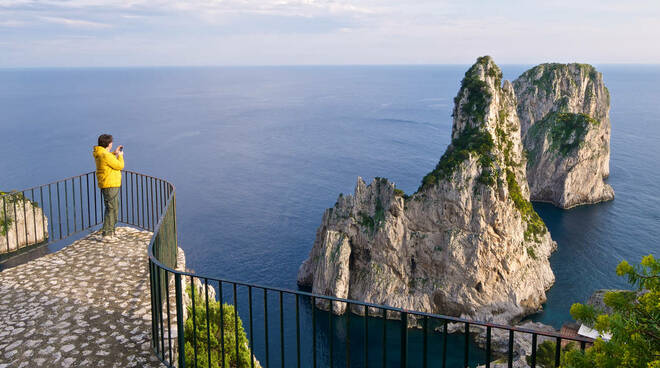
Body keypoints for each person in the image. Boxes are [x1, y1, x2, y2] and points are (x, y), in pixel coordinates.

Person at [93, 134, 124, 240]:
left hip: (109, 183)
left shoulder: (102, 153)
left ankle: (111, 231)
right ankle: (106, 233)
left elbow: (107, 157)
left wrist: (114, 153)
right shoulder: (105, 155)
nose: (112, 144)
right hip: (109, 184)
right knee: (111, 208)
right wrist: (120, 155)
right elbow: (120, 166)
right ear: (108, 143)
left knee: (114, 207)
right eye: (111, 142)